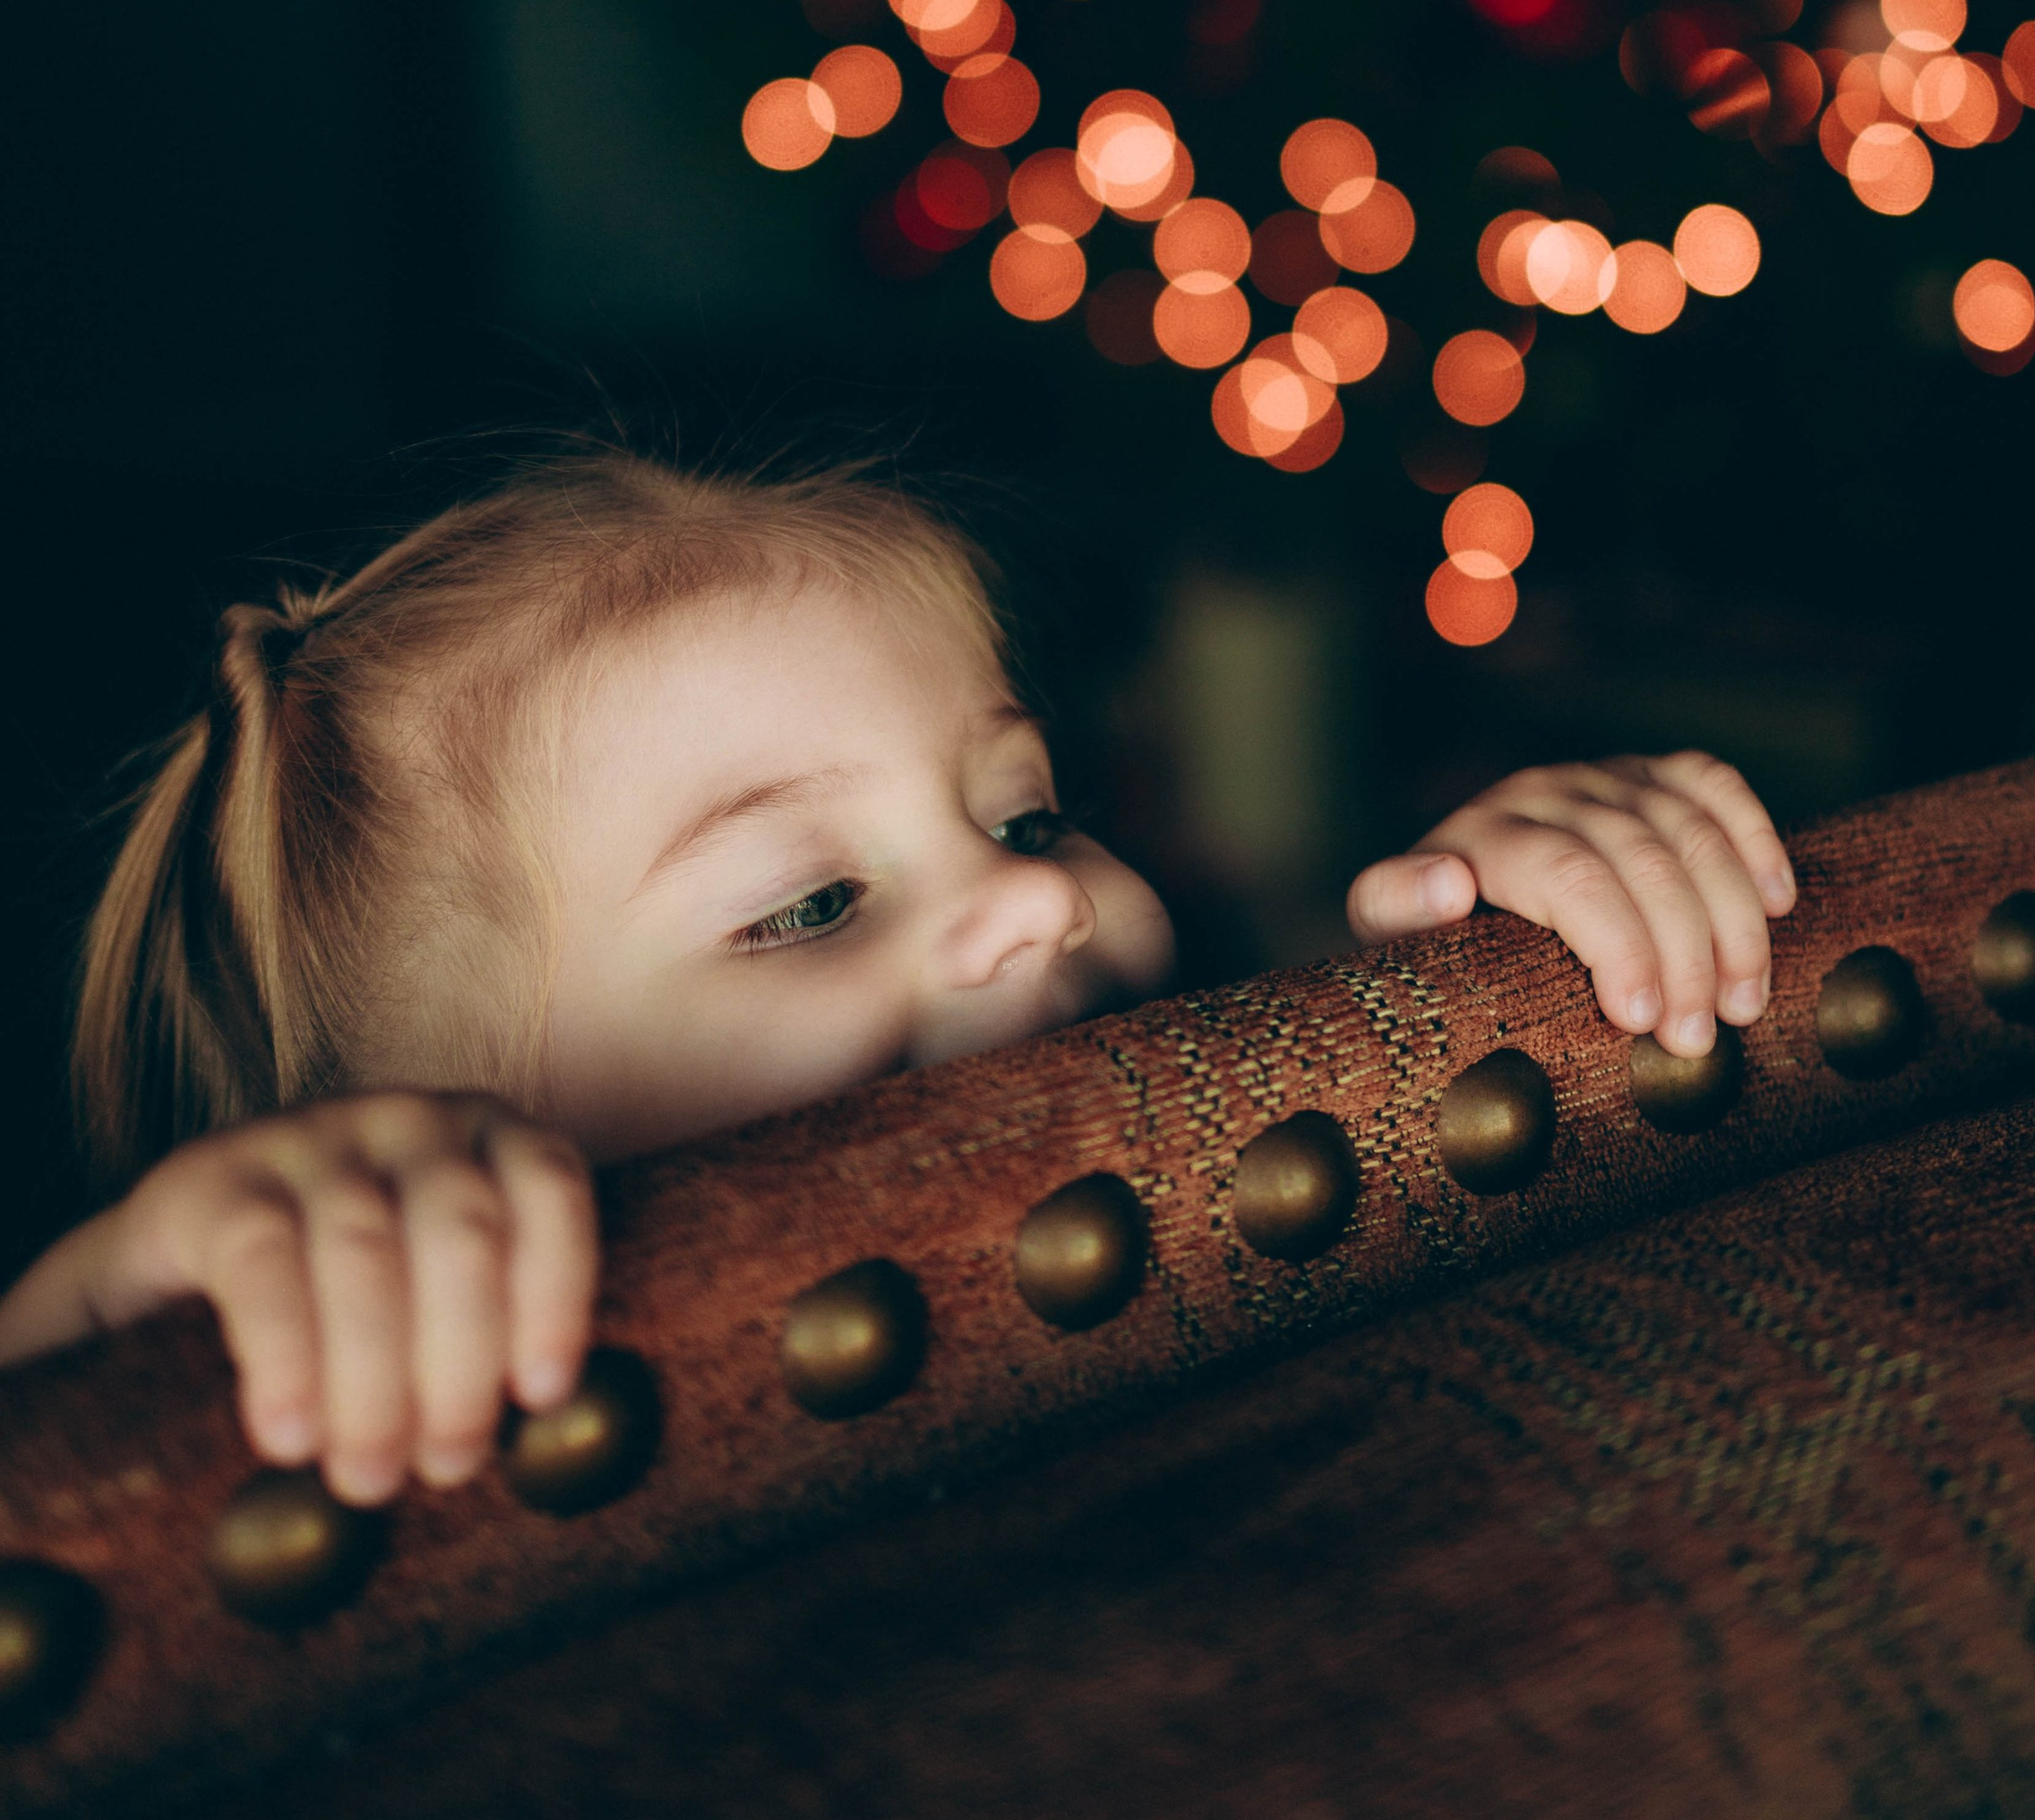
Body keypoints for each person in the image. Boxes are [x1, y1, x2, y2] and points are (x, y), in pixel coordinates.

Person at [0, 451, 1797, 1503]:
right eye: (805, 908)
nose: (1038, 910)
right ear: (443, 1142)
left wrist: (1525, 942)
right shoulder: (392, 1373)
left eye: (1024, 820)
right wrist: (154, 1292)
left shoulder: (1206, 1176)